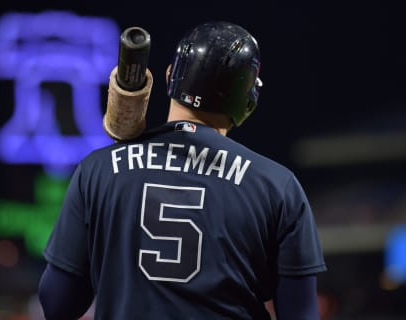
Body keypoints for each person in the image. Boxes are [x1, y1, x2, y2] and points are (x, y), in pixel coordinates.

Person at [38, 21, 327, 319]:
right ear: (247, 98)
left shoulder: (98, 170)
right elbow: (300, 313)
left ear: (168, 76)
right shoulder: (277, 186)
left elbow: (57, 302)